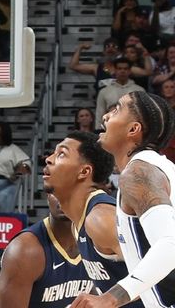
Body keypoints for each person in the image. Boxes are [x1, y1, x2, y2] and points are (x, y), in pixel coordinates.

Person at [70, 91, 175, 308]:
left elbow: (171, 245)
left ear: (133, 129)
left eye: (117, 109)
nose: (106, 117)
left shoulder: (138, 173)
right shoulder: (159, 168)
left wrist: (110, 298)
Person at [42, 131, 140, 303]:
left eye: (61, 154)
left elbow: (160, 273)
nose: (49, 159)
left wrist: (109, 300)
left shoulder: (100, 219)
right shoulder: (77, 222)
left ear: (84, 171)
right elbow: (111, 278)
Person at [0, 192, 92, 307]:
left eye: (71, 190)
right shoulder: (25, 250)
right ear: (48, 196)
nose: (63, 197)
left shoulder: (98, 241)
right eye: (56, 190)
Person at [95, 58, 145, 124]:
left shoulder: (139, 90)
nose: (122, 71)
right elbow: (100, 113)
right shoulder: (104, 91)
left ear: (130, 71)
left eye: (125, 69)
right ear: (115, 70)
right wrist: (98, 130)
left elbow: (143, 114)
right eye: (119, 68)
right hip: (110, 128)